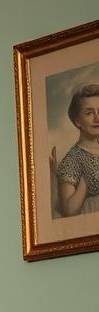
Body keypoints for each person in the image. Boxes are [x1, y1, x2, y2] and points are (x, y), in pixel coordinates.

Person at [52, 83, 99, 217]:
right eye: (89, 113)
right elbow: (69, 210)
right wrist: (84, 182)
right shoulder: (72, 160)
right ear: (77, 121)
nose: (97, 118)